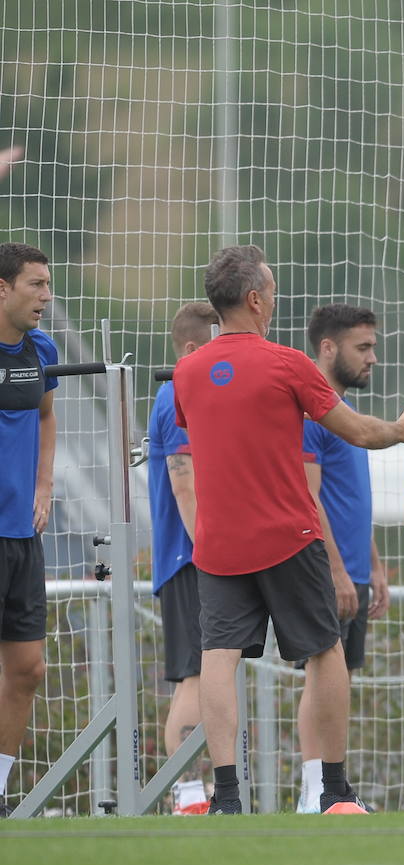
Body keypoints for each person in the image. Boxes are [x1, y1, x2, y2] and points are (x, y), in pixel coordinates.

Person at [173, 244, 404, 815]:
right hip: (289, 538)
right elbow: (361, 433)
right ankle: (335, 792)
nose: (274, 300)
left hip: (218, 543)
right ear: (253, 299)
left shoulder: (187, 372)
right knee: (325, 652)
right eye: (270, 290)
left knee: (219, 657)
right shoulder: (287, 362)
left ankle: (226, 798)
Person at [294, 303, 392, 813]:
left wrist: (372, 564)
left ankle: (327, 789)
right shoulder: (314, 410)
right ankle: (316, 791)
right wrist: (335, 570)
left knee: (340, 678)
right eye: (363, 347)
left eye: (373, 346)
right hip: (326, 572)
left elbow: (348, 497)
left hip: (353, 571)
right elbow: (309, 497)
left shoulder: (345, 411)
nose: (373, 357)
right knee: (323, 671)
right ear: (328, 348)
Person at [145, 301, 219, 814]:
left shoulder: (195, 392)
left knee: (208, 675)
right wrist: (209, 550)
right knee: (194, 676)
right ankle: (188, 795)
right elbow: (183, 479)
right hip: (190, 558)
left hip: (202, 556)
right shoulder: (176, 393)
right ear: (191, 350)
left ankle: (201, 794)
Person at [0, 243, 56, 818]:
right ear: (2, 288)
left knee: (29, 668)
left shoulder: (42, 348)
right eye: (35, 285)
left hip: (23, 534)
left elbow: (44, 414)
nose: (46, 296)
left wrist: (44, 487)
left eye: (47, 284)